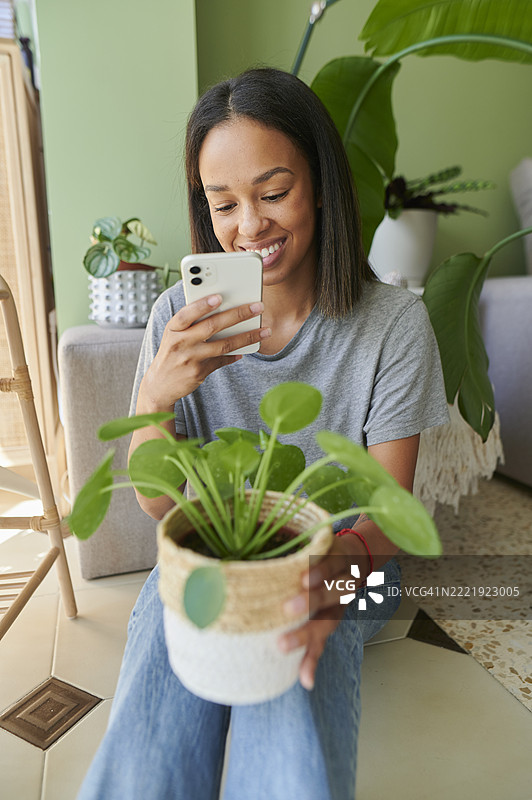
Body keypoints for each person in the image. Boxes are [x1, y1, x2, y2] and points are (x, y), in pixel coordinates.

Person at [78, 67, 449, 800]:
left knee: (285, 690)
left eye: (273, 193)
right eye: (224, 204)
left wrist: (322, 578)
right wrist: (155, 398)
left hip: (345, 554)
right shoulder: (178, 319)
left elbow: (389, 514)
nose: (249, 227)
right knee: (165, 674)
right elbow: (163, 506)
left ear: (321, 184)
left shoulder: (394, 325)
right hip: (213, 541)